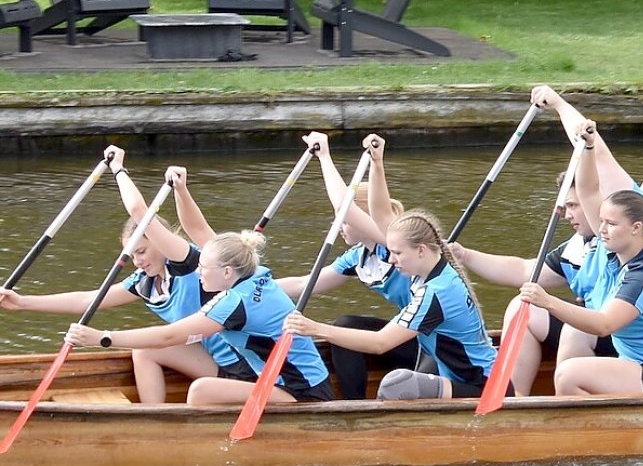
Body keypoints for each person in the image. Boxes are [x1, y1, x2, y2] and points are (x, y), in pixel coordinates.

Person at [0, 150, 234, 403]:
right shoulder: (145, 282)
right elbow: (86, 300)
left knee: (150, 347)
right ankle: (151, 419)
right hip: (214, 362)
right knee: (143, 350)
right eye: (132, 255)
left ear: (161, 242)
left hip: (241, 365)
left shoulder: (187, 263)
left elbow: (138, 211)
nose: (138, 261)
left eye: (142, 251)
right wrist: (23, 302)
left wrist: (118, 169)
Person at [450, 84, 628, 396]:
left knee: (574, 328)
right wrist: (465, 255)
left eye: (572, 205)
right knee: (523, 304)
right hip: (592, 330)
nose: (566, 213)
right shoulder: (575, 248)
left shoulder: (619, 237)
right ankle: (515, 400)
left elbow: (596, 153)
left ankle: (564, 407)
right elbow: (522, 270)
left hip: (622, 335)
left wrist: (559, 104)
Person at [65, 227, 333, 407]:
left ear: (227, 272)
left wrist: (104, 338)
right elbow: (197, 227)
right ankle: (154, 421)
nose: (198, 273)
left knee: (200, 391)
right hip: (276, 379)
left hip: (301, 393)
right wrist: (181, 189)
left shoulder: (234, 302)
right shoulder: (253, 274)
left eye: (203, 268)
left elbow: (170, 335)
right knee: (146, 352)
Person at [287, 209, 498, 399]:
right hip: (463, 377)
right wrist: (376, 165)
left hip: (483, 387)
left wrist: (315, 328)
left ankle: (371, 436)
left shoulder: (435, 292)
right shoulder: (429, 272)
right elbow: (379, 213)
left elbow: (380, 343)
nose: (391, 260)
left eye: (397, 253)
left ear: (421, 250)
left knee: (396, 385)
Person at [520, 186, 643, 395]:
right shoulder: (612, 256)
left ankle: (598, 426)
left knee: (569, 375)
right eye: (601, 221)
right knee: (575, 334)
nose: (601, 230)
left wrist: (548, 302)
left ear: (636, 228)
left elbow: (604, 325)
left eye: (611, 224)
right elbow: (588, 189)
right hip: (637, 361)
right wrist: (588, 151)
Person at [274, 132, 418, 399]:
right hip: (407, 335)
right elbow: (304, 284)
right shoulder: (358, 257)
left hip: (434, 341)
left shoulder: (395, 243)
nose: (337, 225)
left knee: (345, 327)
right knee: (345, 325)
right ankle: (353, 405)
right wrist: (254, 285)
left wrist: (325, 157)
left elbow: (344, 205)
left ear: (365, 219)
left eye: (342, 220)